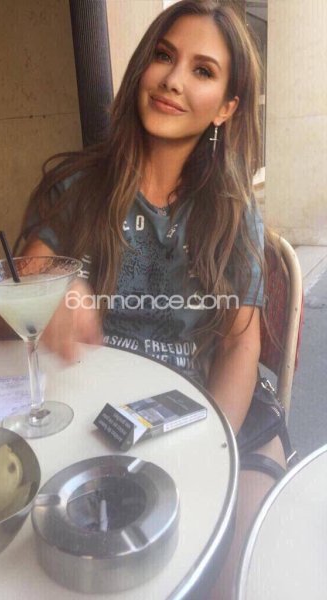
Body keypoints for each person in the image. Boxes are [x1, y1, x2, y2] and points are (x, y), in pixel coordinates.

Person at [16, 1, 286, 597]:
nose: (173, 80)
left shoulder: (232, 213)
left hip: (214, 412)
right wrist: (54, 288)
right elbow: (26, 274)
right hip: (96, 416)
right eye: (164, 56)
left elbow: (239, 346)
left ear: (227, 107)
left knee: (241, 574)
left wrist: (211, 450)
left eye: (202, 70)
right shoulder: (79, 186)